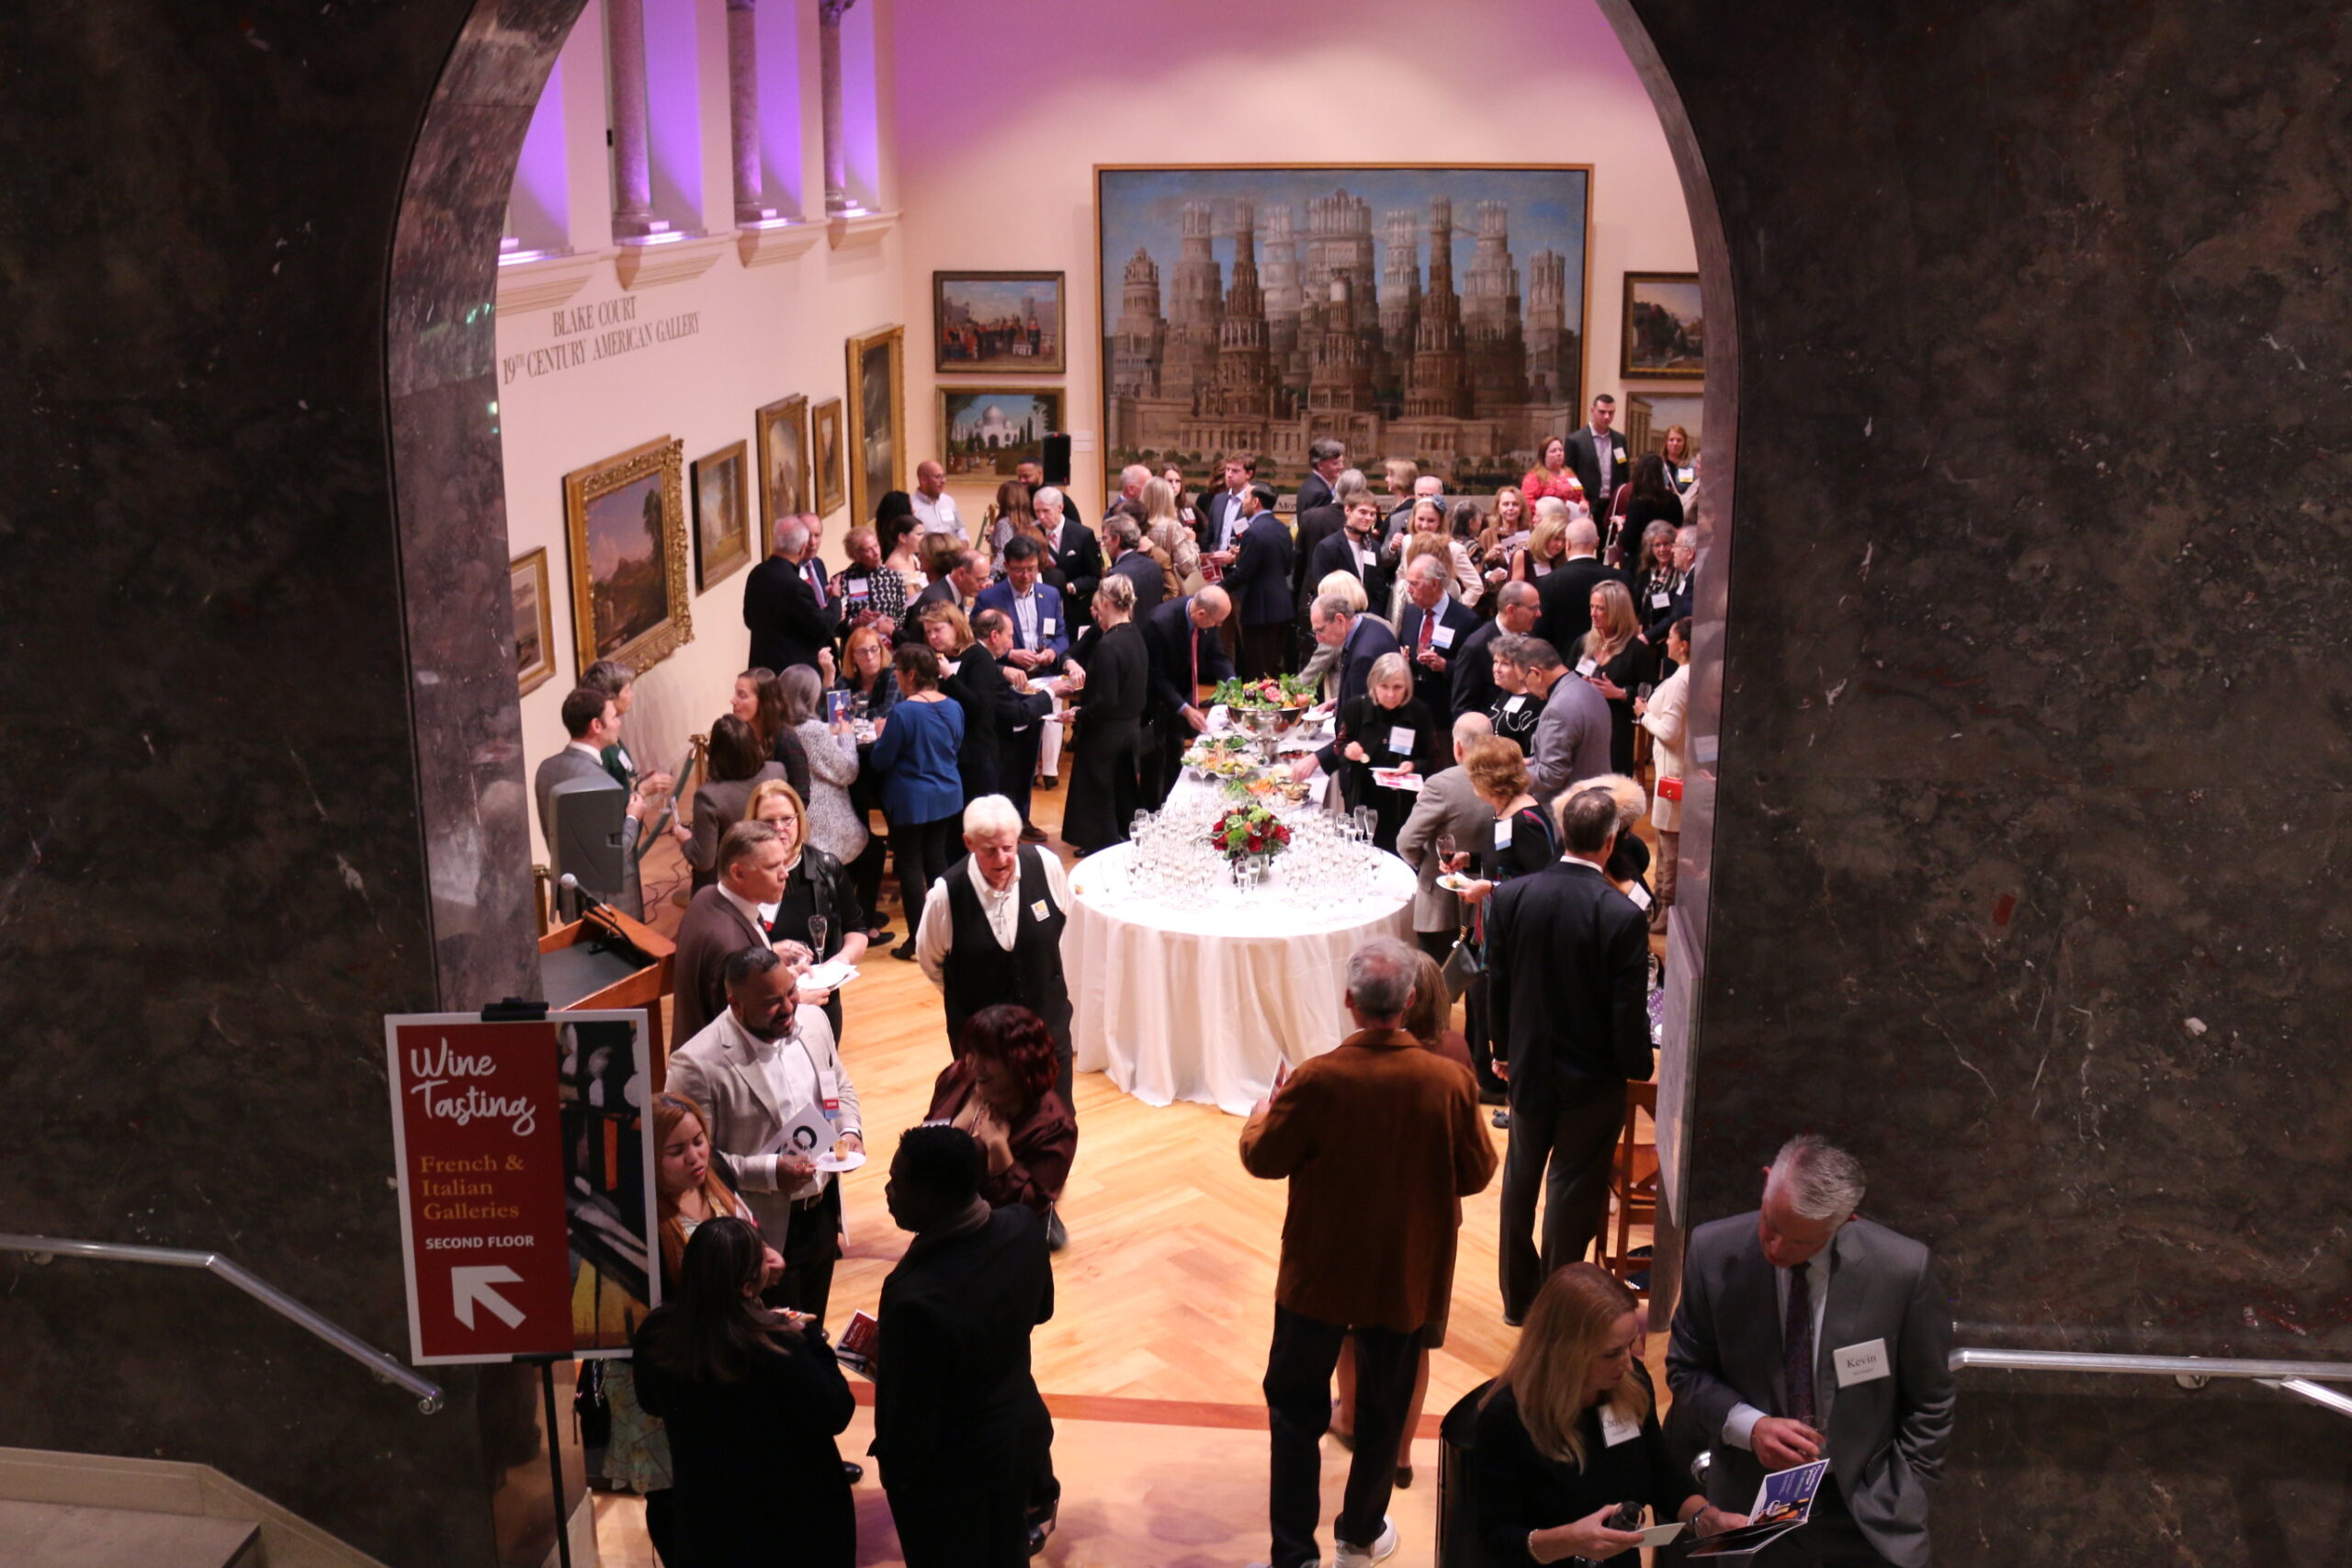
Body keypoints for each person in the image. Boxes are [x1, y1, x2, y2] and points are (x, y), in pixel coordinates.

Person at [1240, 937, 1498, 1568]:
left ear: (1350, 1001)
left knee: (1295, 1415)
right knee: (1385, 1416)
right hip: (1403, 1277)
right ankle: (1360, 1533)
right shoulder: (1448, 1082)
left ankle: (1294, 1554)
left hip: (1315, 1278)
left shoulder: (1318, 1077)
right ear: (1409, 1000)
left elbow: (1262, 1158)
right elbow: (1476, 1172)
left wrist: (1258, 1114)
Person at [1668, 1137, 1958, 1568]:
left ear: (1846, 1221)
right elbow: (1686, 1369)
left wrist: (1908, 1491)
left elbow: (1930, 1398)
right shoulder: (1712, 1253)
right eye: (1771, 1225)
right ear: (1767, 1182)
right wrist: (1751, 1428)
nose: (1777, 1249)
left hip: (1865, 1509)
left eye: (1801, 1242)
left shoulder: (1901, 1270)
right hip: (1752, 1506)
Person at [604, 1090, 792, 1564]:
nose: (695, 1157)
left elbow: (739, 1241)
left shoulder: (716, 1178)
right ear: (646, 1160)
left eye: (700, 1141)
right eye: (677, 1150)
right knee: (673, 1495)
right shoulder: (635, 1220)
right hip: (673, 1373)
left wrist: (762, 1259)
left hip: (725, 1363)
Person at [1489, 788, 1652, 1324]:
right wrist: (1638, 1067)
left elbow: (1499, 982)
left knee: (1520, 1182)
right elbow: (1626, 1009)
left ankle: (1517, 1301)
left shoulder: (1511, 898)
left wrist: (1500, 1049)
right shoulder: (1621, 915)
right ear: (1611, 842)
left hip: (1528, 1065)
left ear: (1561, 834)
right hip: (1592, 1078)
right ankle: (1557, 1308)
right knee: (1570, 1189)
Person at [1470, 1263, 1743, 1566]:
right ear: (1565, 1352)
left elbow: (1659, 1473)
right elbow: (1494, 1539)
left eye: (1630, 1346)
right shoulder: (1505, 1419)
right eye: (1612, 1353)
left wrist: (1706, 1517)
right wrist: (1571, 1540)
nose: (1628, 1364)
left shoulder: (1631, 1385)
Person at [874, 1124, 1059, 1568]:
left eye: (898, 1183)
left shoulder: (912, 1295)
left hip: (952, 1474)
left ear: (933, 1202)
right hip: (1018, 1441)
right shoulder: (1023, 1226)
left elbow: (907, 1420)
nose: (887, 1190)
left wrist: (895, 1478)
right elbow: (1042, 1311)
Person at [631, 1216, 856, 1568]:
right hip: (791, 1520)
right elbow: (836, 1411)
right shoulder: (779, 1344)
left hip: (707, 1516)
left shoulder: (657, 1332)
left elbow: (649, 1401)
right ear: (750, 1286)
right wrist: (811, 1338)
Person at [667, 943, 865, 1325]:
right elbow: (700, 1163)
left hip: (822, 1210)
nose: (789, 1008)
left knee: (813, 1329)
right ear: (736, 1004)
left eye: (790, 992)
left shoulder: (815, 1022)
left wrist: (850, 1130)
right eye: (772, 1002)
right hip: (760, 1233)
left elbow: (838, 1083)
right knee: (772, 1346)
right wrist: (770, 1171)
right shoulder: (695, 1064)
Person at [915, 795, 1077, 1139]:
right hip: (984, 1047)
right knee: (992, 1129)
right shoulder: (947, 894)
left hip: (1048, 1028)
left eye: (1008, 847)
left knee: (1055, 1122)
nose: (1002, 859)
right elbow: (931, 962)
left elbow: (1062, 926)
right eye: (990, 851)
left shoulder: (1045, 866)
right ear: (968, 844)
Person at [924, 1002, 1078, 1223]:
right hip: (938, 1219)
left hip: (998, 1237)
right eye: (971, 1052)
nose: (973, 1064)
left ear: (1020, 1063)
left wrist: (997, 1146)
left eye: (988, 1056)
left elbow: (1029, 1210)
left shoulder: (1054, 1125)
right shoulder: (957, 1078)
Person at [741, 779, 867, 1042]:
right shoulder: (743, 877)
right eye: (768, 822)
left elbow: (857, 929)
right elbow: (731, 954)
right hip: (764, 1011)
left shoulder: (826, 868)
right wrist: (772, 952)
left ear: (799, 819)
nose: (779, 829)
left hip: (821, 1006)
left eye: (787, 819)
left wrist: (841, 960)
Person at [534, 685, 673, 919]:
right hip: (609, 900)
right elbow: (615, 854)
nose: (619, 723)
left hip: (570, 892)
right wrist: (633, 816)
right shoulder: (600, 781)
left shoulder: (546, 768)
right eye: (614, 718)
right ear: (596, 725)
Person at [867, 642, 964, 959]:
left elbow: (881, 760)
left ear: (910, 674)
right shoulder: (953, 705)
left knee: (909, 866)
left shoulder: (904, 711)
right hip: (947, 795)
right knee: (937, 861)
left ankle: (917, 942)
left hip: (911, 800)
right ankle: (947, 933)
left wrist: (881, 736)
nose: (895, 677)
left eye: (897, 672)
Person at [1313, 651, 1445, 852]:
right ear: (1374, 684)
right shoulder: (1356, 707)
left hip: (1403, 805)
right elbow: (1340, 746)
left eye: (1398, 687)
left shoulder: (1419, 712)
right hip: (1363, 797)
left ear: (1407, 686)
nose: (1391, 694)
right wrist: (1348, 750)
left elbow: (1434, 760)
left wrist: (1414, 765)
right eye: (1384, 687)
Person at [1396, 712, 1501, 964]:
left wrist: (1426, 864)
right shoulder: (1508, 780)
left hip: (1442, 904)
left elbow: (1406, 842)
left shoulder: (1441, 785)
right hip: (1489, 902)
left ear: (1457, 746)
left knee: (1434, 988)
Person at [1059, 575, 1148, 852]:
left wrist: (1079, 713)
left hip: (1106, 732)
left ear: (1107, 603)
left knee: (1099, 790)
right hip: (1130, 728)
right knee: (1122, 788)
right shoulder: (1136, 635)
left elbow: (1106, 700)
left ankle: (1102, 845)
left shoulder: (1108, 645)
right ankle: (1121, 839)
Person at [1138, 586, 1236, 801]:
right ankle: (1152, 813)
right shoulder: (1159, 624)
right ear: (1201, 614)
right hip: (1156, 703)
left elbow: (1217, 655)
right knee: (1156, 763)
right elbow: (1155, 677)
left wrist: (1232, 684)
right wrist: (1184, 708)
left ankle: (1173, 804)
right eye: (1217, 622)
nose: (1218, 626)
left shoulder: (1206, 615)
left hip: (1181, 692)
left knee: (1176, 756)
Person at [682, 715, 786, 891]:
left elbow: (704, 861)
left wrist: (685, 841)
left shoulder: (709, 797)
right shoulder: (778, 771)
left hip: (730, 885)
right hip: (774, 868)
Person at [1635, 618, 1691, 932]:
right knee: (1669, 840)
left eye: (1670, 637)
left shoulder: (1681, 680)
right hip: (1678, 768)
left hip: (1673, 772)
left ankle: (1666, 910)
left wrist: (1644, 716)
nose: (1666, 641)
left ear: (1683, 645)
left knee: (1669, 843)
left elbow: (1669, 731)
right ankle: (1661, 906)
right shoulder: (1689, 675)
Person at [920, 602, 1007, 802]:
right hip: (948, 753)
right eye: (928, 632)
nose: (932, 637)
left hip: (976, 754)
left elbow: (979, 708)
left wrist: (949, 677)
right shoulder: (939, 659)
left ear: (956, 626)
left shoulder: (979, 657)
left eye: (938, 630)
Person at [1206, 481, 1295, 678]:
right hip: (1282, 606)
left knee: (1257, 670)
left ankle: (1259, 710)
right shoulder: (1282, 528)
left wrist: (1218, 588)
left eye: (1245, 498)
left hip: (1260, 609)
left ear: (1256, 502)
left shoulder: (1253, 532)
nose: (1242, 502)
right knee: (1275, 668)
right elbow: (1286, 566)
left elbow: (1244, 573)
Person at [1573, 579, 1656, 774]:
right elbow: (1566, 679)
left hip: (1616, 731)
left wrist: (1620, 693)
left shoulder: (1637, 651)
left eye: (1600, 608)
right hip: (1582, 728)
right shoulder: (1582, 644)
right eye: (1592, 607)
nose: (1593, 614)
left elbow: (1650, 695)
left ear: (1618, 612)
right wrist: (1579, 687)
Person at [1516, 636, 1613, 800]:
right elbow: (1578, 752)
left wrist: (1506, 779)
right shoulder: (1591, 690)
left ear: (1536, 673)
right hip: (1599, 800)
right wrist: (1532, 762)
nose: (1526, 689)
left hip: (1570, 811)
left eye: (1523, 682)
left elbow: (1552, 774)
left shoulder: (1557, 710)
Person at [743, 517, 839, 678]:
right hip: (794, 675)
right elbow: (822, 627)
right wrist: (835, 599)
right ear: (802, 549)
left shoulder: (756, 573)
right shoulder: (796, 585)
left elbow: (749, 620)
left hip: (763, 672)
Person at [1397, 553, 1481, 715]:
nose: (1409, 590)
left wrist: (1445, 665)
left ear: (1434, 584)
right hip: (1409, 708)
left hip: (1443, 709)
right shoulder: (1411, 612)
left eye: (1414, 584)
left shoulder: (1466, 620)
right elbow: (1401, 645)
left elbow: (1475, 671)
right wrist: (1402, 657)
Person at [1303, 589, 1404, 715]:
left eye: (1321, 630)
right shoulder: (1371, 626)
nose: (1318, 639)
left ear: (1340, 620)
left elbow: (1362, 715)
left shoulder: (1363, 657)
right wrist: (1338, 702)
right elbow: (1370, 696)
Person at [1453, 579, 1541, 720]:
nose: (1539, 614)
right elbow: (1463, 708)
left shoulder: (1529, 635)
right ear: (1511, 610)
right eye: (1533, 608)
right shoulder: (1476, 647)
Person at [1533, 517, 1620, 659]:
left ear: (1567, 544)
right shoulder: (1620, 579)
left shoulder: (1548, 583)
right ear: (1597, 542)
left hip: (1562, 665)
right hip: (1611, 665)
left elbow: (1540, 632)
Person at [1307, 491, 1394, 617]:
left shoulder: (1373, 547)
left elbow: (1378, 589)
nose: (1368, 518)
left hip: (1369, 617)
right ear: (1347, 510)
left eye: (1372, 514)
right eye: (1363, 512)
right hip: (1339, 618)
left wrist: (1372, 617)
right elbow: (1324, 592)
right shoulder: (1328, 547)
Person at [736, 668, 813, 806]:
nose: (733, 700)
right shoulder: (741, 735)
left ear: (764, 701)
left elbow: (801, 797)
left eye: (742, 695)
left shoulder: (786, 740)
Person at [580, 658, 652, 790]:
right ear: (610, 697)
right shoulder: (602, 743)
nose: (632, 695)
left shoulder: (612, 731)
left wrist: (642, 782)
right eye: (627, 691)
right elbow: (608, 800)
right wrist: (643, 790)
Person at [832, 523, 906, 642]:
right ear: (855, 555)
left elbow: (904, 614)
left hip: (889, 645)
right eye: (868, 550)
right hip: (855, 646)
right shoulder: (842, 581)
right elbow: (833, 624)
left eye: (876, 546)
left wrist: (890, 623)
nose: (876, 553)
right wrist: (855, 622)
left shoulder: (893, 577)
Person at [1563, 396, 1631, 519]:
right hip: (1586, 503)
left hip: (1613, 504)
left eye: (1611, 413)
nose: (1607, 417)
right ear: (1592, 410)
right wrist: (1579, 498)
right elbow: (1569, 474)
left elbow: (1624, 473)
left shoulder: (1620, 440)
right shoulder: (1575, 440)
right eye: (1602, 412)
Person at [1613, 452, 1684, 567]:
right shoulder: (1674, 499)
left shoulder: (1637, 503)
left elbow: (1628, 540)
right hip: (1666, 559)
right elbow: (1678, 527)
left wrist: (1621, 528)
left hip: (1640, 562)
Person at [1140, 475, 1202, 592]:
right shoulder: (1172, 527)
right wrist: (1191, 542)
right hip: (1168, 589)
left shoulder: (1136, 525)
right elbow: (1187, 566)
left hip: (1143, 587)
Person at [1101, 512, 1167, 613]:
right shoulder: (1154, 566)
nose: (1103, 544)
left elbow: (1112, 614)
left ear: (1117, 540)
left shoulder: (1116, 575)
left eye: (1105, 538)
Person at [1487, 639, 1543, 757]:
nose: (1497, 669)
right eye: (1495, 662)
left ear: (1522, 668)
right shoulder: (1505, 693)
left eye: (1505, 664)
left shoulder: (1534, 702)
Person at [1198, 450, 1258, 560]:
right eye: (1228, 469)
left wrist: (1233, 557)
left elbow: (1258, 545)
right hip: (1217, 569)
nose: (1229, 475)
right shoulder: (1218, 500)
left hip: (1241, 570)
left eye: (1235, 471)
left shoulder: (1255, 503)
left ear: (1248, 474)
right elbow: (1209, 537)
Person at [1521, 434, 1588, 514]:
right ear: (1544, 456)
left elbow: (1580, 494)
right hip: (1547, 521)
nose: (1559, 453)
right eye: (1553, 451)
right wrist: (1552, 509)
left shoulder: (1569, 473)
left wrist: (1583, 502)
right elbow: (1527, 501)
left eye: (1561, 450)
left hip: (1572, 520)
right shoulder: (1534, 476)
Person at [910, 457, 964, 539]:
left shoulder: (949, 501)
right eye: (938, 477)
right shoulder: (911, 505)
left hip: (953, 550)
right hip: (927, 551)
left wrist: (963, 543)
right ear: (923, 480)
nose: (943, 481)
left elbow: (960, 530)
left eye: (944, 476)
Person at [1298, 434, 1346, 515]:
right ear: (1320, 465)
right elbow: (1319, 525)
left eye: (1342, 462)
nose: (1341, 467)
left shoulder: (1313, 483)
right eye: (1335, 463)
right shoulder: (1319, 493)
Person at [1659, 424, 1699, 497]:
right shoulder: (1658, 464)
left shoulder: (1694, 465)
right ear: (1666, 442)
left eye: (1679, 440)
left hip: (1684, 506)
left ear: (1684, 443)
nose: (1675, 443)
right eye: (1671, 440)